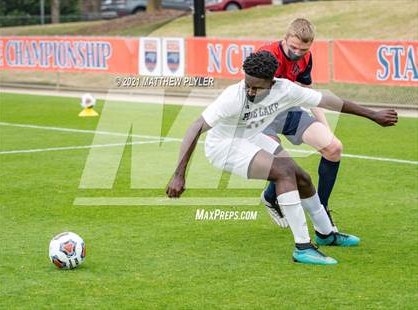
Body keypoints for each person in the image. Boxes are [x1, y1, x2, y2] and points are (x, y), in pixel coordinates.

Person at [166, 51, 397, 265]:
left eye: (257, 87)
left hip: (251, 136)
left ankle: (326, 234)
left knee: (302, 177)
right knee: (283, 173)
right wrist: (178, 174)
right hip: (224, 147)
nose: (250, 92)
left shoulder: (285, 89)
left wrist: (373, 114)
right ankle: (303, 247)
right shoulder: (232, 97)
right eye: (247, 84)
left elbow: (328, 100)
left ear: (272, 82)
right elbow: (195, 126)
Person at [258, 18, 342, 231]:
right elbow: (249, 93)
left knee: (333, 148)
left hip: (288, 111)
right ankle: (270, 197)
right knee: (284, 163)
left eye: (303, 49)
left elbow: (309, 92)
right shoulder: (267, 56)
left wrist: (325, 126)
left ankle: (321, 210)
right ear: (284, 39)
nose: (297, 53)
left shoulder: (306, 59)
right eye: (293, 47)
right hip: (260, 116)